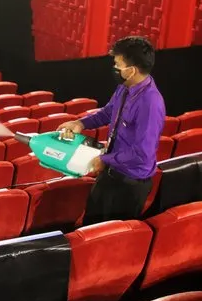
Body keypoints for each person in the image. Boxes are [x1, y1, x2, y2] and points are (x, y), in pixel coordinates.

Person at [59, 36, 166, 225]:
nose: (114, 68)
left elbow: (142, 153)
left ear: (131, 70)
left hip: (129, 184)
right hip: (111, 171)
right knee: (90, 226)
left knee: (111, 238)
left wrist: (104, 159)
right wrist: (81, 124)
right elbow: (109, 112)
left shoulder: (150, 103)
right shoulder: (125, 87)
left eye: (117, 64)